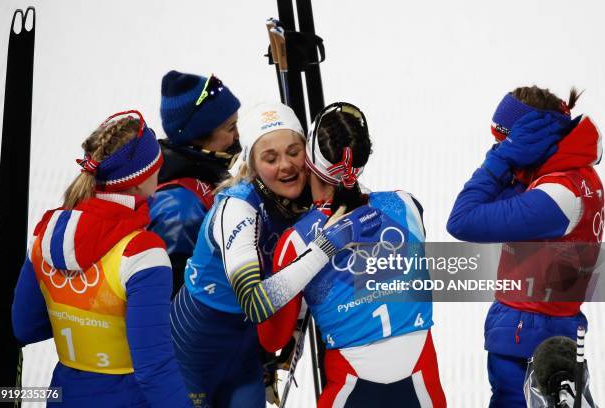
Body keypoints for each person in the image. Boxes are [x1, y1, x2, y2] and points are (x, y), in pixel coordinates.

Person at [170, 102, 383, 408]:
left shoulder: (310, 194)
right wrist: (324, 247)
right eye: (270, 158)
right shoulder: (237, 208)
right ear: (252, 166)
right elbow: (255, 303)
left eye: (294, 152)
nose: (286, 165)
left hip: (246, 352)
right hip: (193, 351)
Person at [257, 102, 447, 407]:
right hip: (423, 388)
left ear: (309, 158)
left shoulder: (295, 241)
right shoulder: (407, 206)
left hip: (350, 391)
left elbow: (272, 339)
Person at [11, 111, 191, 407]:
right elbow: (154, 368)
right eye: (157, 165)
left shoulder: (45, 237)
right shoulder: (142, 252)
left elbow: (24, 326)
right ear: (138, 180)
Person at [447, 86, 603, 407]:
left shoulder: (558, 195)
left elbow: (462, 219)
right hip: (542, 333)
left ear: (531, 136)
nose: (496, 146)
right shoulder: (568, 178)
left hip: (529, 343)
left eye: (502, 139)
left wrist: (500, 159)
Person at [149, 70, 241, 295]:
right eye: (230, 128)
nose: (238, 136)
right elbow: (177, 300)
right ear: (198, 136)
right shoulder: (179, 208)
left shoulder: (203, 176)